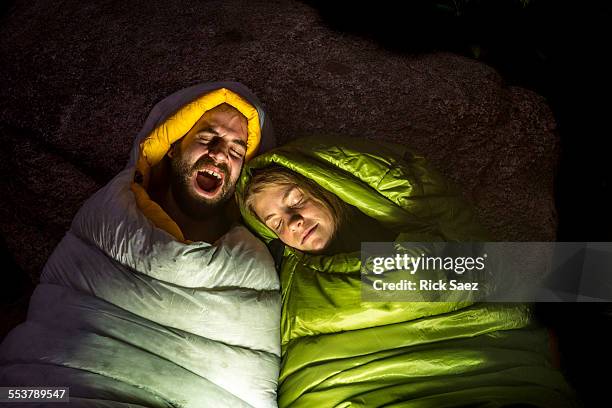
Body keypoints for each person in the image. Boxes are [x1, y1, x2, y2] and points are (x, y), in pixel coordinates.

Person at [238, 135, 578, 407]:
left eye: (296, 201)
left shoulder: (429, 226)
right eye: (276, 222)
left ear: (327, 186)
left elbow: (516, 271)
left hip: (489, 376)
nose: (294, 222)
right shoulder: (289, 277)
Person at [0, 82, 281, 408]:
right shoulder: (112, 212)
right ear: (172, 146)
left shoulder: (256, 259)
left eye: (237, 150)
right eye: (207, 137)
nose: (219, 154)